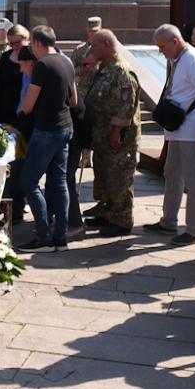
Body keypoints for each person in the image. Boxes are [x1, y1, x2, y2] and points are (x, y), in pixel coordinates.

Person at [146, 24, 195, 242]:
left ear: (175, 41)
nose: (160, 51)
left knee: (194, 180)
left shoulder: (193, 59)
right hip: (176, 128)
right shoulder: (177, 58)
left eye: (162, 46)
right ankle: (169, 221)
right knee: (172, 174)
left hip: (191, 130)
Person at [17, 28, 78, 250]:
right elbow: (74, 100)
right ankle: (60, 238)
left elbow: (28, 105)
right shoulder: (67, 61)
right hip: (65, 127)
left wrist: (26, 107)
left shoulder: (42, 65)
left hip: (46, 130)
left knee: (29, 181)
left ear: (37, 43)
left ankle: (44, 236)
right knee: (59, 182)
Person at [83, 29, 140, 237]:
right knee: (105, 178)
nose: (91, 49)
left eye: (94, 45)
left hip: (117, 140)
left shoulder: (121, 71)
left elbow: (126, 105)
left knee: (119, 180)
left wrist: (116, 132)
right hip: (102, 137)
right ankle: (107, 214)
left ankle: (121, 221)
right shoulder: (104, 69)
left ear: (107, 45)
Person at [0, 25, 30, 227]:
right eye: (11, 43)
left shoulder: (32, 59)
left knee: (17, 164)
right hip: (1, 114)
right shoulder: (5, 58)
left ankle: (15, 206)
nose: (14, 46)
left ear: (27, 39)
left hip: (20, 117)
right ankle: (1, 200)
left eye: (17, 42)